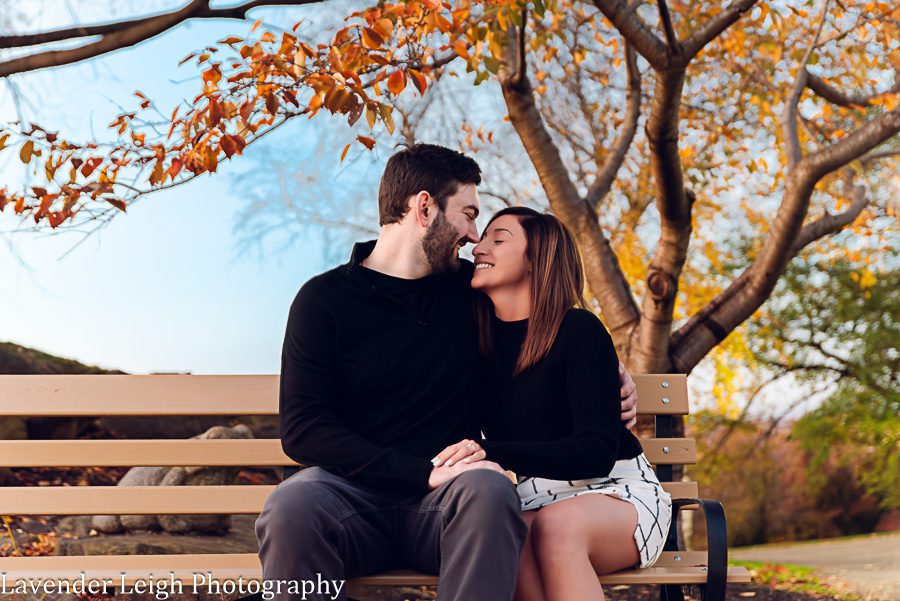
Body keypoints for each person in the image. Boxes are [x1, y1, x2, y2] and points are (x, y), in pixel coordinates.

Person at [255, 145, 639, 601]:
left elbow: (549, 328)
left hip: (450, 504)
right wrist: (419, 473)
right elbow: (303, 431)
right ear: (424, 207)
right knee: (290, 505)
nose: (474, 235)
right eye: (468, 214)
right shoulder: (323, 301)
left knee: (488, 489)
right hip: (350, 500)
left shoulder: (474, 291)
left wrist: (614, 371)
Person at [431, 207, 672, 601]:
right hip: (535, 498)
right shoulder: (477, 343)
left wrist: (490, 451)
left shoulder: (578, 330)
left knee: (556, 528)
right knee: (517, 535)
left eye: (498, 237)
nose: (478, 248)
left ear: (535, 260)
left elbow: (596, 453)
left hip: (614, 490)